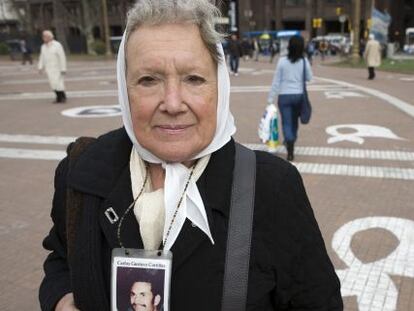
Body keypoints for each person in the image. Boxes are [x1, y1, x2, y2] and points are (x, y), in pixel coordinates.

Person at [39, 1, 342, 310]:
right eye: (149, 80)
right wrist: (61, 299)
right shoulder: (83, 170)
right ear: (124, 87)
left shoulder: (272, 189)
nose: (172, 103)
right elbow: (61, 258)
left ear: (220, 86)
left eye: (193, 79)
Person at [267, 35, 313, 161]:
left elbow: (276, 81)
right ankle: (292, 140)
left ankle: (290, 147)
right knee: (294, 121)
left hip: (284, 97)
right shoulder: (304, 61)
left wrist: (270, 99)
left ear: (289, 46)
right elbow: (310, 77)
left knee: (286, 122)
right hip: (299, 96)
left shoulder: (282, 61)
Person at [38, 30, 67, 103]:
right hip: (49, 68)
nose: (43, 38)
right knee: (52, 83)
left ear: (49, 37)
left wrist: (63, 68)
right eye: (43, 36)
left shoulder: (57, 45)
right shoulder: (43, 47)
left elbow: (62, 57)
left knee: (58, 83)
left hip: (57, 67)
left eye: (45, 36)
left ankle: (61, 97)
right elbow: (42, 57)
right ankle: (60, 96)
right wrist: (40, 67)